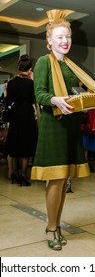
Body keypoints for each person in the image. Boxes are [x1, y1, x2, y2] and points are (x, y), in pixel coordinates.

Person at [31, 9, 95, 251]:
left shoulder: (71, 67)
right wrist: (54, 100)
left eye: (68, 36)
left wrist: (84, 101)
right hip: (53, 126)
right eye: (59, 37)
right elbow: (39, 93)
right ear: (49, 41)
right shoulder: (42, 62)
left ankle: (56, 224)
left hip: (71, 125)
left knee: (64, 181)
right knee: (56, 179)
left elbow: (73, 95)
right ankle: (51, 227)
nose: (65, 41)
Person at [5, 54, 38, 186]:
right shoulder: (31, 84)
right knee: (26, 145)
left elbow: (8, 101)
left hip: (15, 114)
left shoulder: (11, 83)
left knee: (14, 143)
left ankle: (13, 173)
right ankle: (23, 175)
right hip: (27, 114)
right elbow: (35, 99)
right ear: (29, 70)